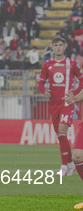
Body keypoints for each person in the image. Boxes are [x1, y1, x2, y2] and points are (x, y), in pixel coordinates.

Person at [38, 37, 83, 176]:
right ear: (52, 47)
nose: (58, 47)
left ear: (65, 47)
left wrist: (74, 93)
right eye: (56, 45)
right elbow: (40, 83)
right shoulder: (47, 64)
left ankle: (64, 166)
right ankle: (70, 163)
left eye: (60, 45)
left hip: (66, 103)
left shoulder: (72, 63)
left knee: (62, 133)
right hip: (54, 104)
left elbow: (81, 81)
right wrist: (44, 91)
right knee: (60, 136)